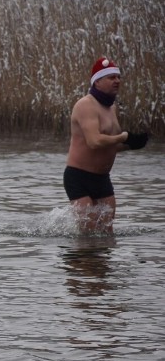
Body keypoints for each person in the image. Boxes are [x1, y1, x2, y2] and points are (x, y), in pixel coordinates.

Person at [64, 56, 149, 233]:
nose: (117, 80)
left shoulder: (111, 108)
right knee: (89, 232)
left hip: (102, 179)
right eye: (111, 77)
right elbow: (94, 141)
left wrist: (132, 144)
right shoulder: (86, 105)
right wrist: (124, 136)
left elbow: (111, 144)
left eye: (118, 77)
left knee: (106, 233)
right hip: (79, 177)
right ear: (97, 82)